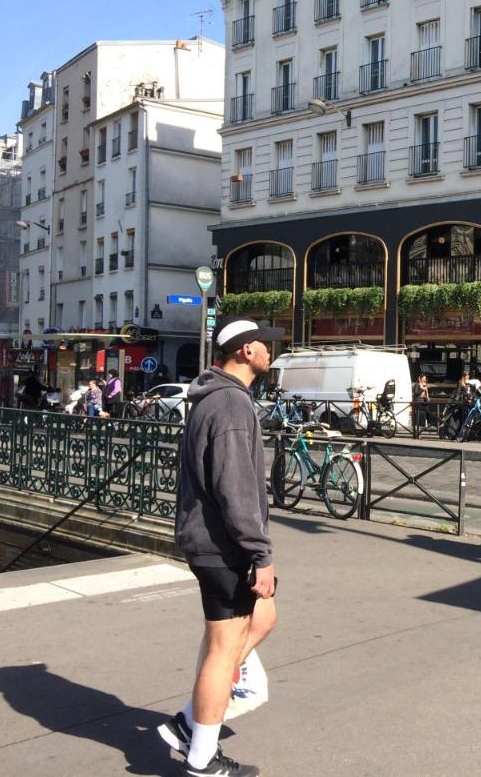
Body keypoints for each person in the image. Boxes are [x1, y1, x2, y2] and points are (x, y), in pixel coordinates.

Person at [158, 317, 283, 777]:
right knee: (222, 650)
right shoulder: (230, 403)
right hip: (222, 543)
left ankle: (190, 723)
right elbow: (236, 488)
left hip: (214, 539)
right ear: (246, 351)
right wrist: (260, 553)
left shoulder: (215, 398)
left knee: (261, 619)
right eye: (266, 344)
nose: (272, 350)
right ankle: (201, 755)